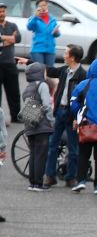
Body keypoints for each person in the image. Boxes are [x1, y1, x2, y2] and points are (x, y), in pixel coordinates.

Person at [36, 44, 86, 188]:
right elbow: (50, 70)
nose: (63, 55)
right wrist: (29, 63)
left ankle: (70, 177)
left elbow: (83, 98)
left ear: (72, 57)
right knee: (52, 144)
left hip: (72, 114)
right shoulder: (65, 70)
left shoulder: (82, 74)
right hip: (59, 111)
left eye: (66, 53)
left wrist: (78, 117)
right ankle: (49, 176)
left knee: (73, 147)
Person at [70, 59, 97, 194]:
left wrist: (78, 115)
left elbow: (73, 103)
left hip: (86, 127)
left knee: (83, 155)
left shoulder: (84, 84)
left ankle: (81, 181)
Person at [21, 62, 54, 191]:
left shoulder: (28, 88)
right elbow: (46, 105)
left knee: (33, 153)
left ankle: (32, 183)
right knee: (41, 154)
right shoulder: (42, 85)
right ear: (39, 73)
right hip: (42, 125)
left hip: (30, 124)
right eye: (44, 72)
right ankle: (39, 183)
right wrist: (52, 120)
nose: (46, 74)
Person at [0, 2, 21, 123]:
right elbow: (11, 40)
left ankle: (15, 116)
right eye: (0, 11)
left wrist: (2, 37)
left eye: (3, 11)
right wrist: (9, 39)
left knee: (14, 91)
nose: (2, 13)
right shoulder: (11, 29)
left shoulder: (12, 25)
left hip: (10, 63)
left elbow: (17, 38)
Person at [27, 0, 60, 67]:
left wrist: (56, 32)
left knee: (49, 71)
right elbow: (29, 27)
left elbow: (57, 34)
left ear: (47, 6)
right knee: (39, 70)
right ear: (37, 8)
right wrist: (35, 17)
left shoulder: (52, 19)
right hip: (37, 49)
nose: (43, 7)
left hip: (50, 49)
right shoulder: (34, 18)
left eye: (44, 5)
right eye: (40, 6)